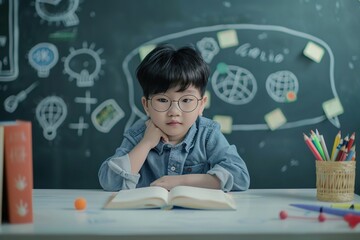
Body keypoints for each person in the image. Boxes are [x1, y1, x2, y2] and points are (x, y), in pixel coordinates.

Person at [98, 45, 250, 192]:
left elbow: (240, 176)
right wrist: (146, 143)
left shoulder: (207, 134)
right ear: (146, 105)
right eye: (163, 100)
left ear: (201, 105)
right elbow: (109, 181)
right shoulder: (138, 134)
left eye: (186, 100)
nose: (174, 112)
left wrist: (181, 182)